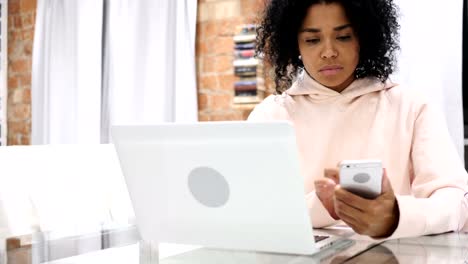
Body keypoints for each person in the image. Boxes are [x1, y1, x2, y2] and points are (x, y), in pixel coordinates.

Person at [249, 0, 468, 238]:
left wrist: (395, 216)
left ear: (363, 37)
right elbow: (255, 212)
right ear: (295, 44)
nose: (329, 52)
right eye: (312, 40)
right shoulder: (270, 117)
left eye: (343, 37)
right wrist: (322, 206)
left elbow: (456, 203)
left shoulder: (411, 107)